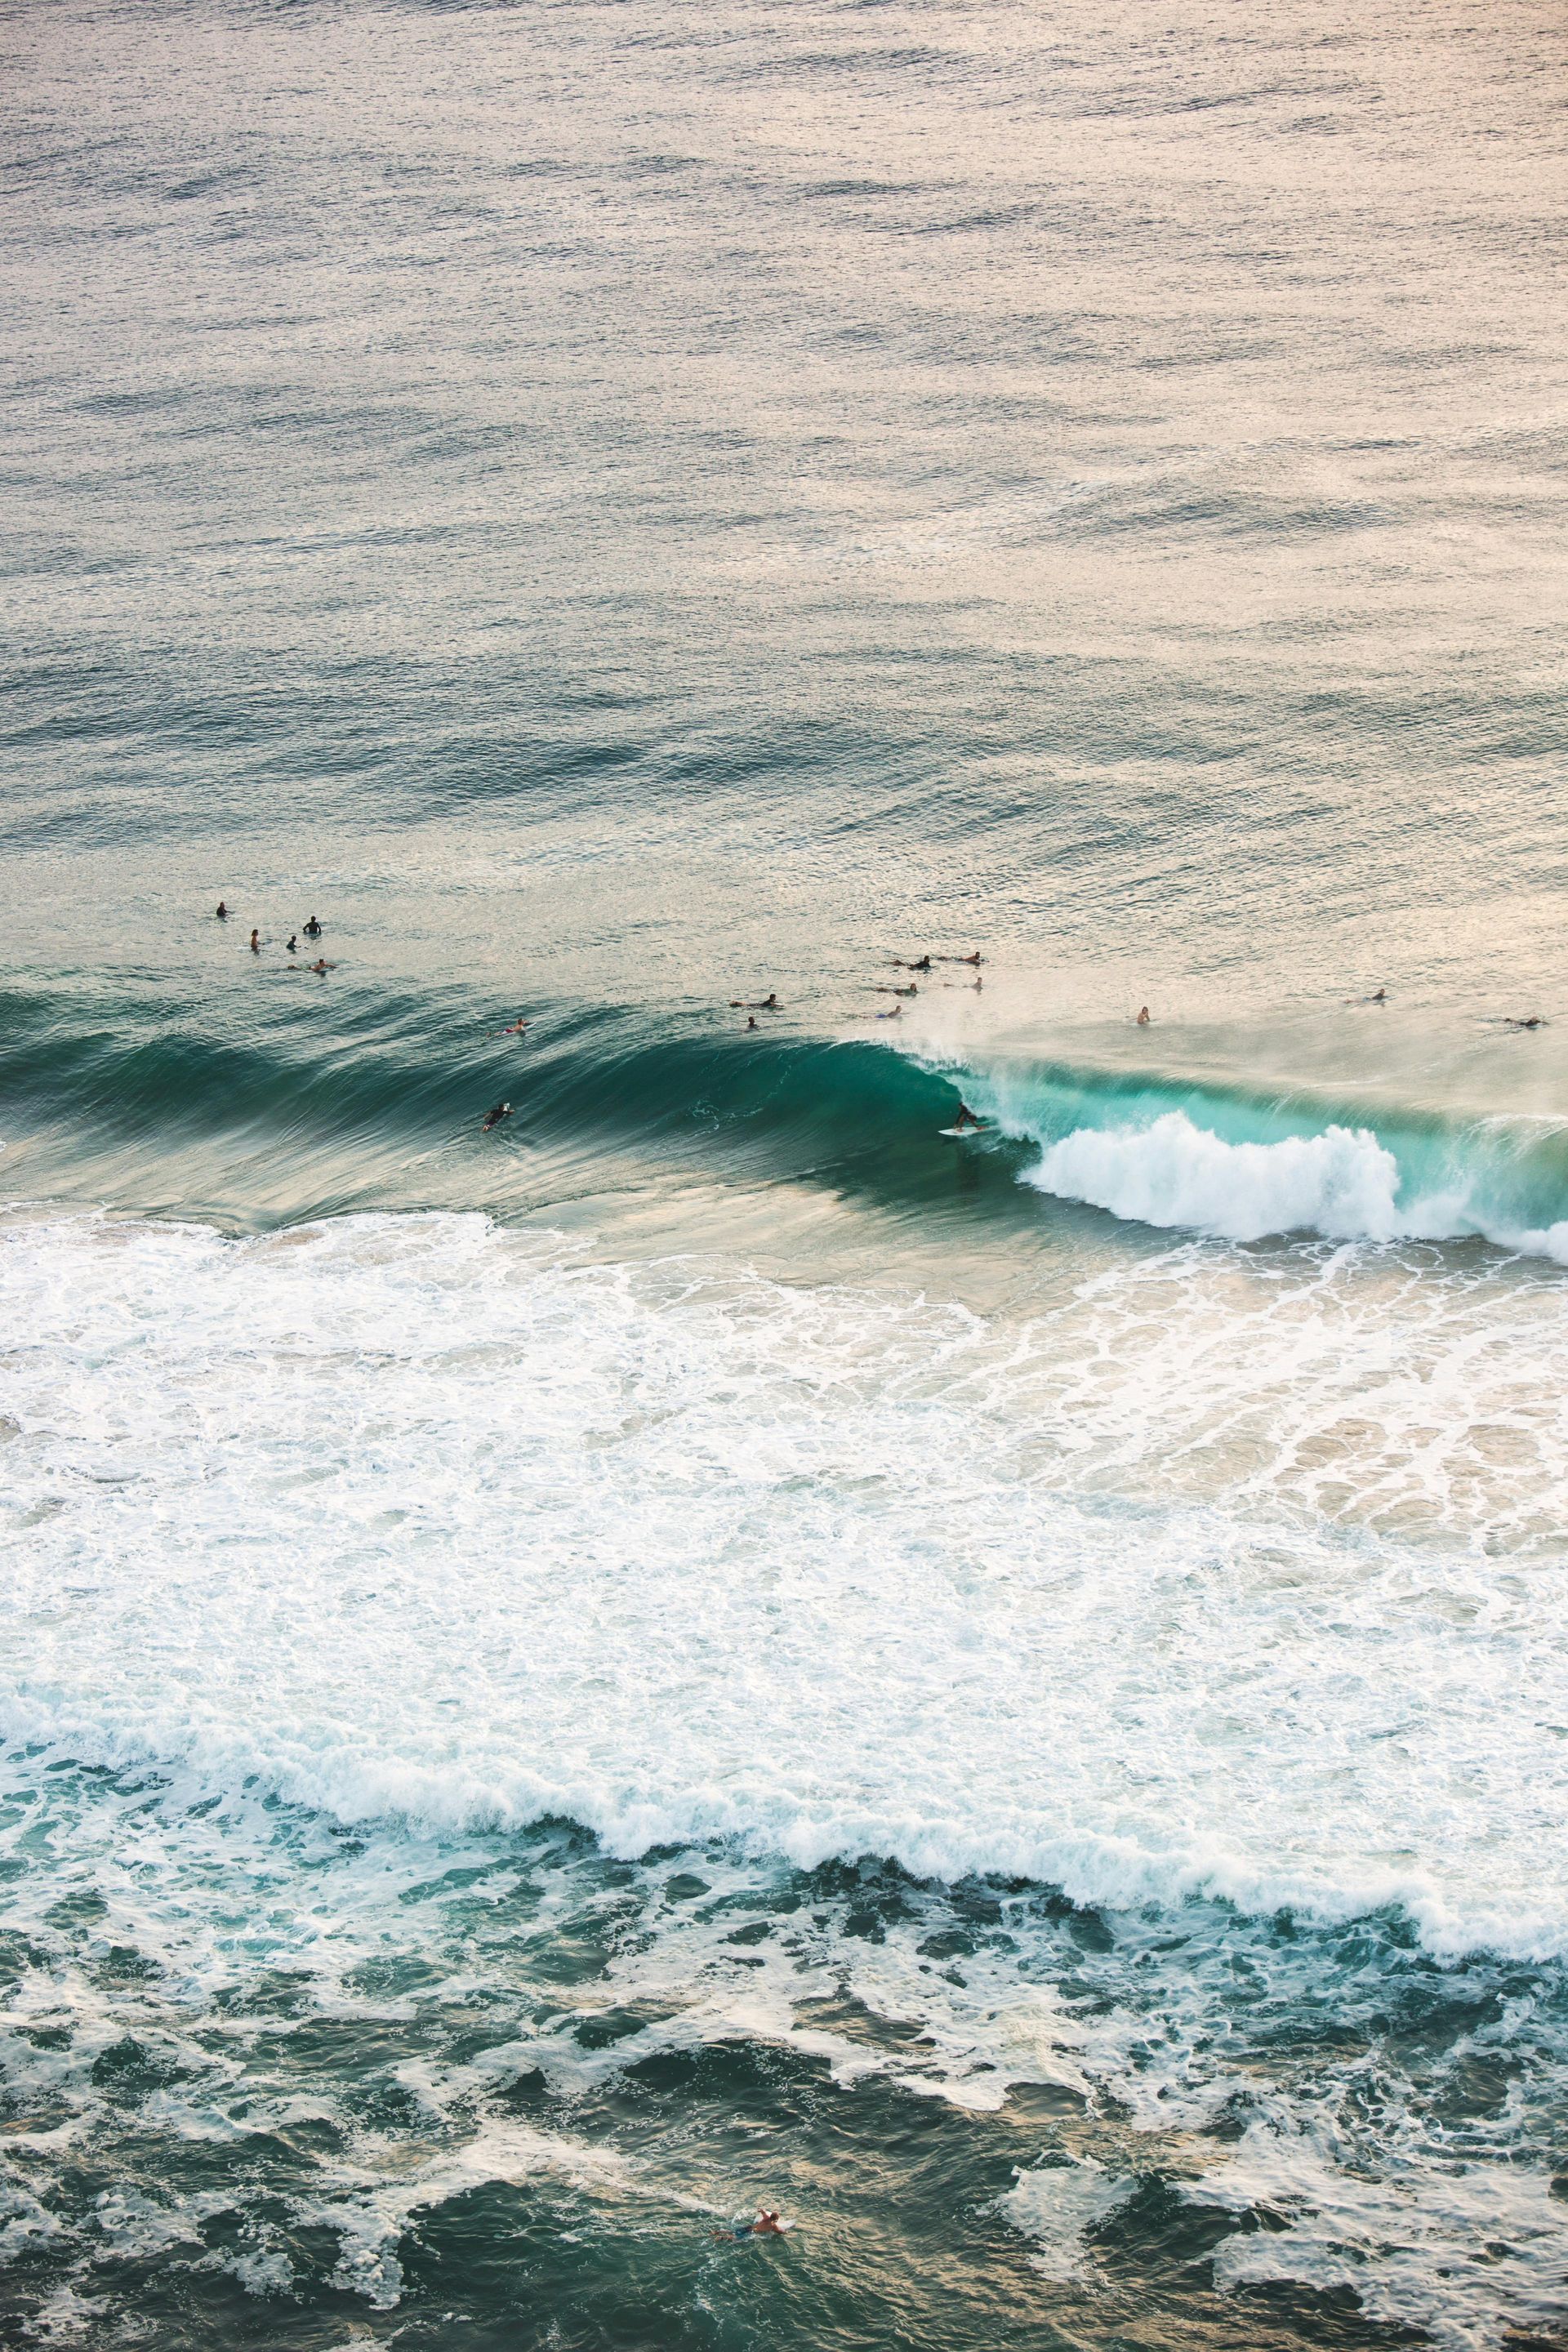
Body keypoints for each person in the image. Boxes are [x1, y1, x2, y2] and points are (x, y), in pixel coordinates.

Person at [712, 2210, 785, 2243]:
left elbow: (763, 2211)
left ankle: (717, 2232)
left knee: (734, 2231)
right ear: (776, 2219)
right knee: (736, 2238)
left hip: (750, 2227)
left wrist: (761, 2210)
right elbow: (780, 2231)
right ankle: (721, 2238)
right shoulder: (773, 2226)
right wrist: (786, 2232)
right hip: (752, 2232)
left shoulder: (766, 2218)